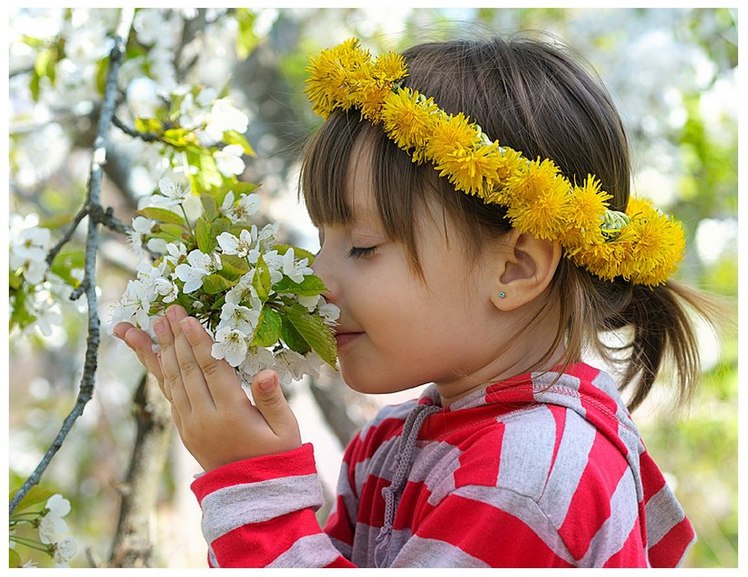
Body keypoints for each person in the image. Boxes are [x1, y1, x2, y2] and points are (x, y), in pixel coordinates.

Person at [113, 34, 722, 567]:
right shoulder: (390, 444)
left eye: (364, 246)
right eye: (322, 240)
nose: (316, 277)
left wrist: (253, 487)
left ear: (514, 265)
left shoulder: (531, 477)